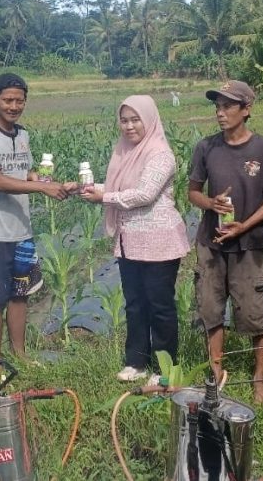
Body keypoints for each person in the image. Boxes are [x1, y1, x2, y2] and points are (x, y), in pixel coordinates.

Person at [83, 95, 190, 383]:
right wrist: (90, 188)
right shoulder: (124, 151)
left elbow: (144, 194)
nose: (129, 126)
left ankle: (164, 368)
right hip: (129, 241)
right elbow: (119, 186)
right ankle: (136, 362)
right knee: (135, 303)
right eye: (124, 120)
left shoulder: (160, 154)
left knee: (160, 306)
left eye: (135, 120)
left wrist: (103, 197)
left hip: (159, 242)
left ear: (149, 120)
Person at [0, 73, 74, 366]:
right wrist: (42, 188)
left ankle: (21, 355)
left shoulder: (23, 134)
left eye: (19, 101)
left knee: (20, 294)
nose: (13, 106)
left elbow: (20, 173)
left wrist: (39, 178)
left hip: (21, 230)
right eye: (7, 100)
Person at [188, 80, 263, 403]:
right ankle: (215, 374)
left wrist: (245, 226)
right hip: (211, 243)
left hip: (249, 244)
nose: (220, 112)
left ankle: (259, 380)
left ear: (247, 109)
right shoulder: (206, 147)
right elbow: (193, 192)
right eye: (217, 106)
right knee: (211, 310)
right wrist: (210, 203)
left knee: (256, 313)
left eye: (228, 106)